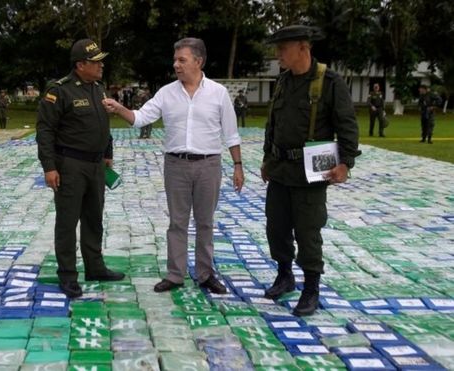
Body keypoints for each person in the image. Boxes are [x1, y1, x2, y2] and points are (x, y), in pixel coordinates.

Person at [103, 38, 244, 295]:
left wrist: (238, 165)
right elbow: (141, 118)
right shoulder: (166, 93)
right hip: (176, 166)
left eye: (182, 60)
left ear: (198, 62)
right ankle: (175, 274)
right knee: (177, 223)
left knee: (205, 223)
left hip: (208, 165)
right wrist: (120, 108)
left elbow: (231, 133)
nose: (176, 65)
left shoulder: (218, 93)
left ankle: (205, 274)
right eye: (175, 60)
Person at [261, 25, 360, 316]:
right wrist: (268, 159)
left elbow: (347, 126)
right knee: (276, 228)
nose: (278, 54)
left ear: (303, 48)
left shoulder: (329, 82)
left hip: (310, 173)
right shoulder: (282, 82)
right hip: (279, 170)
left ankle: (311, 287)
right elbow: (273, 126)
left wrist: (346, 163)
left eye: (283, 48)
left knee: (308, 232)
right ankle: (285, 275)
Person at [36, 38, 125, 298]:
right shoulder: (59, 91)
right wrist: (49, 167)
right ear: (80, 65)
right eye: (96, 62)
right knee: (67, 221)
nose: (101, 65)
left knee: (94, 218)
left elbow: (103, 125)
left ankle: (95, 266)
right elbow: (45, 131)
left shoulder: (98, 89)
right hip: (70, 165)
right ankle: (67, 274)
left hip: (96, 165)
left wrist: (107, 153)